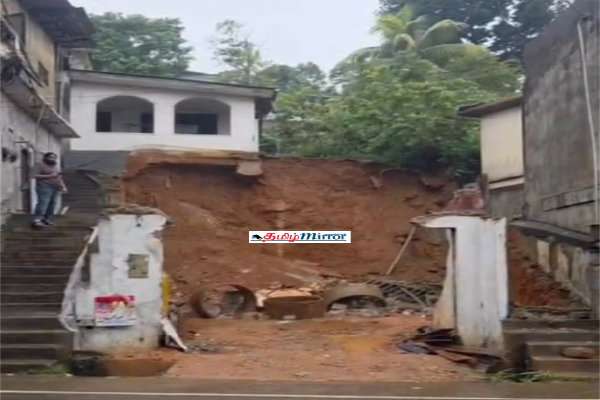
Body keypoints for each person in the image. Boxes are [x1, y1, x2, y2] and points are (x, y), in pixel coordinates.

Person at [31, 152, 67, 228]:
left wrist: (63, 186)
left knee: (52, 204)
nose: (52, 159)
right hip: (44, 187)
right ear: (45, 157)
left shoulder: (56, 166)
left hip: (55, 187)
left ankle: (46, 219)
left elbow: (59, 177)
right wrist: (49, 176)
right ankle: (37, 220)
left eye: (54, 157)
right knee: (43, 203)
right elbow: (33, 175)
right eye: (50, 157)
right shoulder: (39, 164)